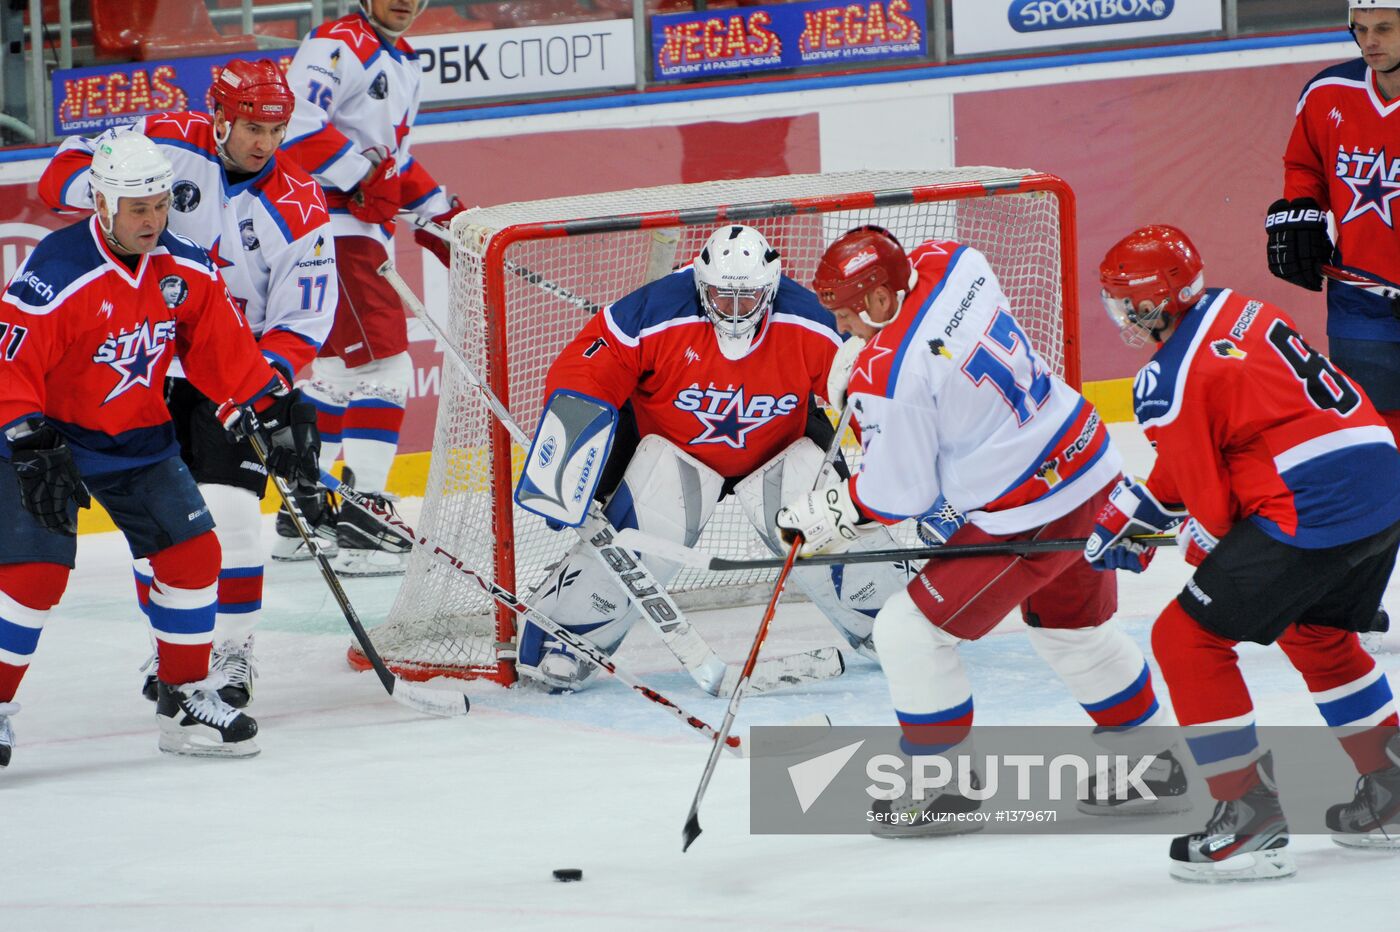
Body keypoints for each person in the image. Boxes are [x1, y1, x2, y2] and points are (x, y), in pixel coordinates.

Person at [774, 227, 1183, 837]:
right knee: (1074, 633)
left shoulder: (889, 375)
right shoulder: (954, 261)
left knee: (908, 630)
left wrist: (834, 509)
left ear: (881, 299)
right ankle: (1156, 766)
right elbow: (930, 333)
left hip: (1031, 511)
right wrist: (877, 362)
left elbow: (901, 496)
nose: (844, 328)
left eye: (848, 314)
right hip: (1092, 464)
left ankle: (943, 789)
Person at [1091, 225, 1400, 881]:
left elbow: (1213, 514)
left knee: (1185, 638)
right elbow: (1215, 434)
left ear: (1151, 302)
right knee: (1316, 633)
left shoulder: (1165, 379)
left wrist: (1184, 543)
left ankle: (1248, 818)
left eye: (1123, 301)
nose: (1120, 315)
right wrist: (1149, 509)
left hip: (1314, 505)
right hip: (1380, 479)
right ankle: (1395, 793)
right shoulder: (1237, 308)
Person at [0, 133, 318, 764]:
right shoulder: (58, 272)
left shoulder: (185, 266)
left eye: (161, 204)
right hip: (49, 438)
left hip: (137, 437)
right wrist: (26, 436)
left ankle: (183, 699)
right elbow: (9, 364)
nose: (152, 220)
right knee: (34, 575)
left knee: (194, 558)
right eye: (137, 208)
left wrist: (271, 405)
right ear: (101, 202)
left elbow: (222, 351)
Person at [38, 60, 336, 708]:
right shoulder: (164, 139)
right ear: (219, 119)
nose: (264, 142)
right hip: (141, 363)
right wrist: (102, 193)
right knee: (159, 528)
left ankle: (232, 651)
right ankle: (172, 646)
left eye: (277, 129)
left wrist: (261, 394)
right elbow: (63, 168)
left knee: (232, 519)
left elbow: (304, 320)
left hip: (231, 367)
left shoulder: (300, 205)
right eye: (252, 127)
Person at [514, 224, 916, 691]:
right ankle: (566, 636)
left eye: (749, 299)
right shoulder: (654, 310)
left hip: (779, 450)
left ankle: (890, 619)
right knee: (644, 534)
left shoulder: (809, 319)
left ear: (771, 289)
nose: (735, 311)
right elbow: (585, 372)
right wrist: (565, 467)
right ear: (700, 284)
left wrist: (901, 466)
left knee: (824, 519)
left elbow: (871, 389)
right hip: (673, 452)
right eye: (723, 297)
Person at [281, 0, 467, 575]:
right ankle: (364, 521)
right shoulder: (338, 43)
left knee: (338, 375)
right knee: (385, 367)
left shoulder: (404, 58)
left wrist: (441, 213)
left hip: (354, 232)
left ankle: (303, 513)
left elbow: (395, 164)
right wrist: (362, 175)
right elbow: (294, 124)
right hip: (330, 228)